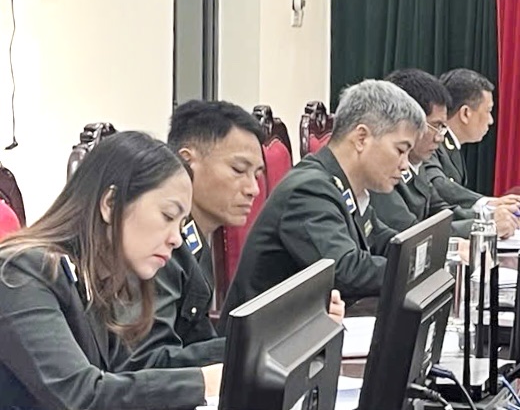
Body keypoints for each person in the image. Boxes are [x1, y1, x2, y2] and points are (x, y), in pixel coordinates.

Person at [0, 131, 217, 408]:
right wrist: (203, 382)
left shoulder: (97, 280)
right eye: (168, 216)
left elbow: (127, 376)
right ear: (110, 204)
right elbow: (81, 396)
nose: (176, 239)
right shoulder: (20, 272)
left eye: (181, 223)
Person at [224, 79, 423, 311]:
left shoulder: (345, 187)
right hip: (267, 332)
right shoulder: (309, 190)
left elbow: (384, 242)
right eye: (400, 150)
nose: (405, 165)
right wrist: (414, 267)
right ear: (361, 138)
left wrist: (427, 253)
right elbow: (345, 271)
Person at [126, 101, 264, 369]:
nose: (253, 189)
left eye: (256, 175)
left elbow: (196, 339)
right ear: (187, 162)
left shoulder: (198, 240)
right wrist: (256, 341)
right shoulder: (157, 249)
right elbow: (150, 362)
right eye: (238, 170)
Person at [375, 69, 515, 239]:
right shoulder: (381, 170)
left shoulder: (417, 165)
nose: (440, 137)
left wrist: (487, 217)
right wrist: (485, 226)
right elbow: (411, 233)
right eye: (437, 126)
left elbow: (441, 212)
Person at [424, 69, 520, 215]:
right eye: (488, 111)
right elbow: (438, 185)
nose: (491, 121)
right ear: (465, 113)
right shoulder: (430, 144)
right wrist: (485, 203)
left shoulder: (452, 147)